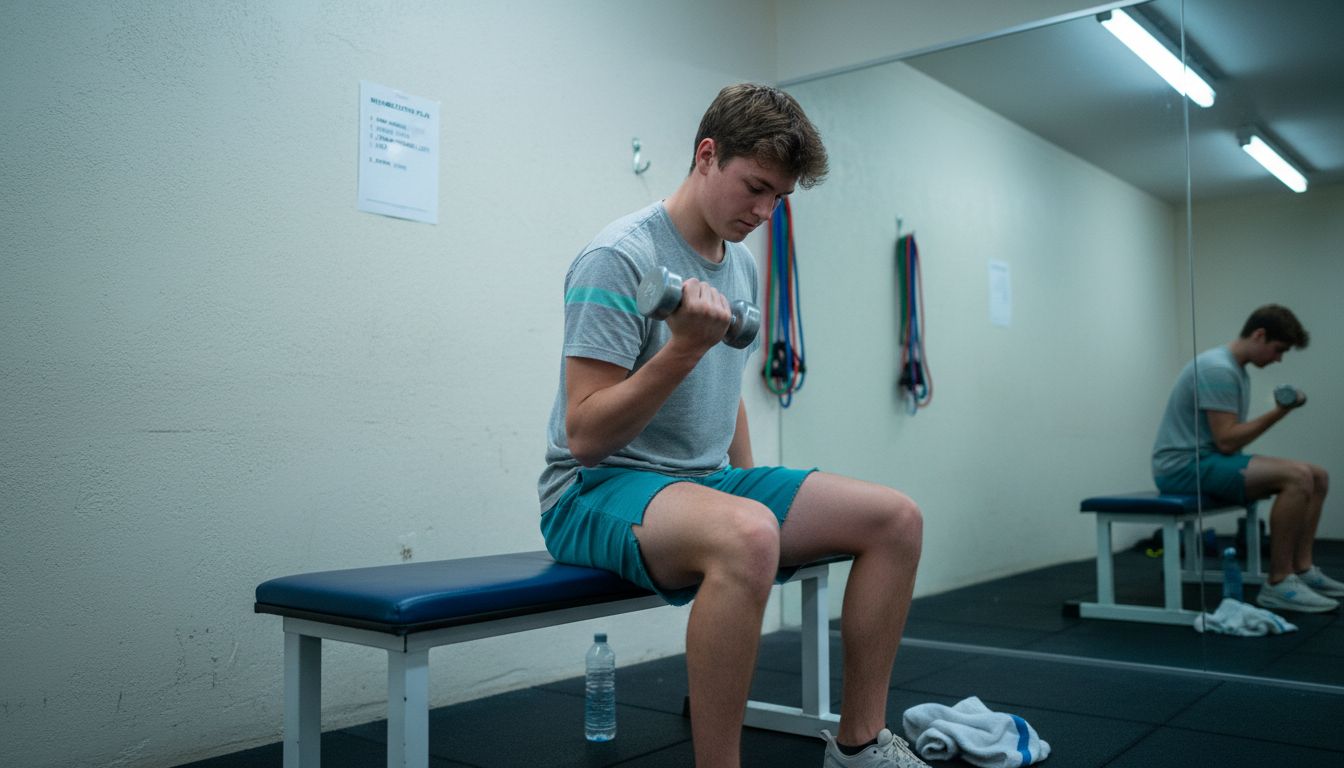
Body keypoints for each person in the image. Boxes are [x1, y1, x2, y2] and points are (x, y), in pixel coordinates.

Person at [538, 83, 928, 768]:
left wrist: (742, 480)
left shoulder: (740, 264)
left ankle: (861, 744)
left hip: (701, 483)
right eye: (755, 188)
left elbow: (727, 395)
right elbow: (585, 434)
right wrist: (684, 344)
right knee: (750, 536)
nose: (764, 212)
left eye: (779, 198)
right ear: (707, 155)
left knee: (896, 520)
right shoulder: (619, 258)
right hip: (593, 489)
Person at [1152, 304, 1339, 613]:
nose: (1279, 358)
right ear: (1259, 335)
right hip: (1182, 468)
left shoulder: (1233, 369)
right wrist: (1281, 411)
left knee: (1317, 475)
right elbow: (1227, 441)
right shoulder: (1218, 369)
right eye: (1278, 350)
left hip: (1206, 462)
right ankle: (1279, 583)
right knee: (1298, 476)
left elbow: (1225, 442)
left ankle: (1302, 569)